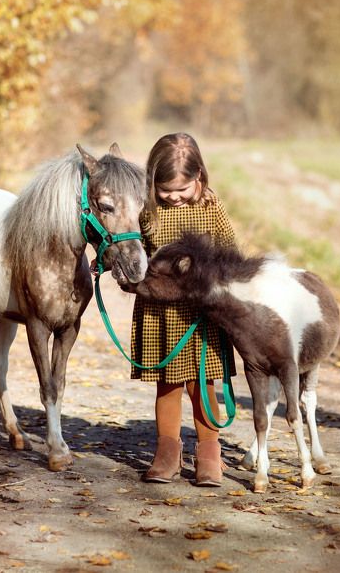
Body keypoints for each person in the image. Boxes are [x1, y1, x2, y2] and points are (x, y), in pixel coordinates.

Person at [130, 132, 237, 486]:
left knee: (202, 386)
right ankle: (167, 453)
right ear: (152, 184)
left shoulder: (212, 208)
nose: (174, 197)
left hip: (202, 316)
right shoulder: (147, 212)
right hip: (160, 313)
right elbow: (135, 251)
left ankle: (209, 453)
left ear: (199, 178)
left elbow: (230, 254)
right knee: (168, 384)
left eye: (182, 189)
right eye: (166, 191)